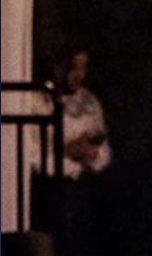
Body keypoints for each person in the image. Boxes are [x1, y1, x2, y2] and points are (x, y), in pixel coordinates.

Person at [33, 49, 112, 180]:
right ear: (56, 66)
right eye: (72, 67)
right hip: (50, 183)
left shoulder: (89, 101)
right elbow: (32, 156)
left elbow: (103, 149)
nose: (78, 75)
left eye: (83, 68)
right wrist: (65, 153)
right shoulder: (35, 102)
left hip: (88, 182)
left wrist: (92, 155)